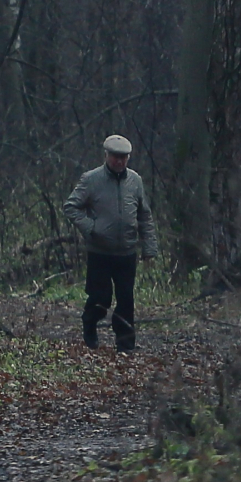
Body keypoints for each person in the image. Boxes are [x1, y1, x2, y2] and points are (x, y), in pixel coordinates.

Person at [63, 134, 157, 351]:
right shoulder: (91, 179)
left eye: (123, 157)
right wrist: (91, 228)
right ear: (106, 155)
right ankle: (90, 323)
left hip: (127, 251)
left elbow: (145, 215)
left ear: (129, 158)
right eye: (115, 156)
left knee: (126, 299)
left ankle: (126, 343)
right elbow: (71, 207)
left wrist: (149, 248)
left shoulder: (135, 181)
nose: (119, 161)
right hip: (100, 251)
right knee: (100, 297)